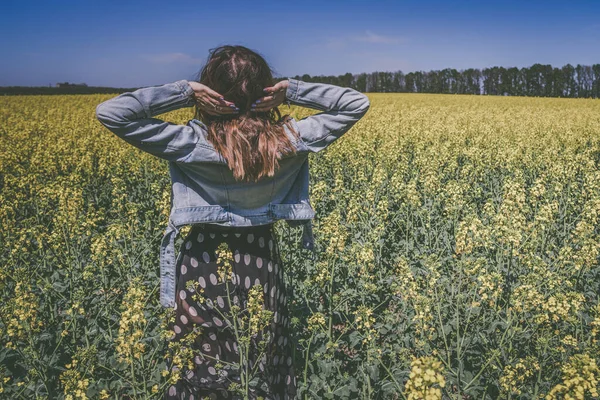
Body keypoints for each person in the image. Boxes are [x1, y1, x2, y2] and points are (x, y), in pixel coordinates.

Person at [95, 44, 370, 400]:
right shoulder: (290, 141)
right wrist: (292, 91)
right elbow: (355, 103)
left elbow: (112, 113)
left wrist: (185, 92)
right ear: (266, 92)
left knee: (200, 357)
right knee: (259, 356)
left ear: (212, 93)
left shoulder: (192, 143)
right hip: (261, 261)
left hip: (203, 261)